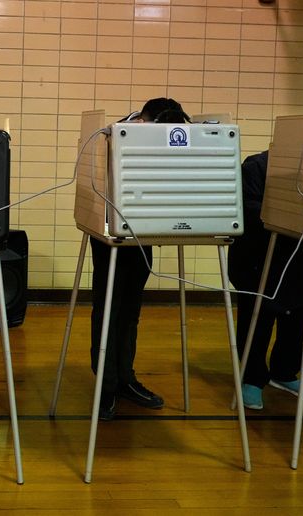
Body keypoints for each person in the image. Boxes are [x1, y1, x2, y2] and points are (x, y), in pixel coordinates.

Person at [90, 98, 190, 421]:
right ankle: (105, 386)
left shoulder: (154, 133)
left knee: (131, 310)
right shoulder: (115, 134)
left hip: (142, 235)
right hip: (110, 235)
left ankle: (124, 378)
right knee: (109, 309)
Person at [228, 119, 303, 410]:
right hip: (260, 260)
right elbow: (246, 209)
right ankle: (251, 378)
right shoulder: (258, 166)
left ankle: (285, 373)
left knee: (298, 320)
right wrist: (289, 215)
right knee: (256, 320)